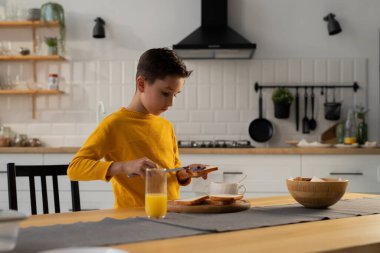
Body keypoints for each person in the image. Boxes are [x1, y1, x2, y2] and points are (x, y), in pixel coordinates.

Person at [68, 48, 207, 208]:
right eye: (165, 93)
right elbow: (75, 168)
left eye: (175, 94)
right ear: (141, 84)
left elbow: (171, 171)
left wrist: (185, 173)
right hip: (132, 219)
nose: (171, 102)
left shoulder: (166, 126)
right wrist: (125, 166)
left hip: (171, 214)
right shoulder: (115, 124)